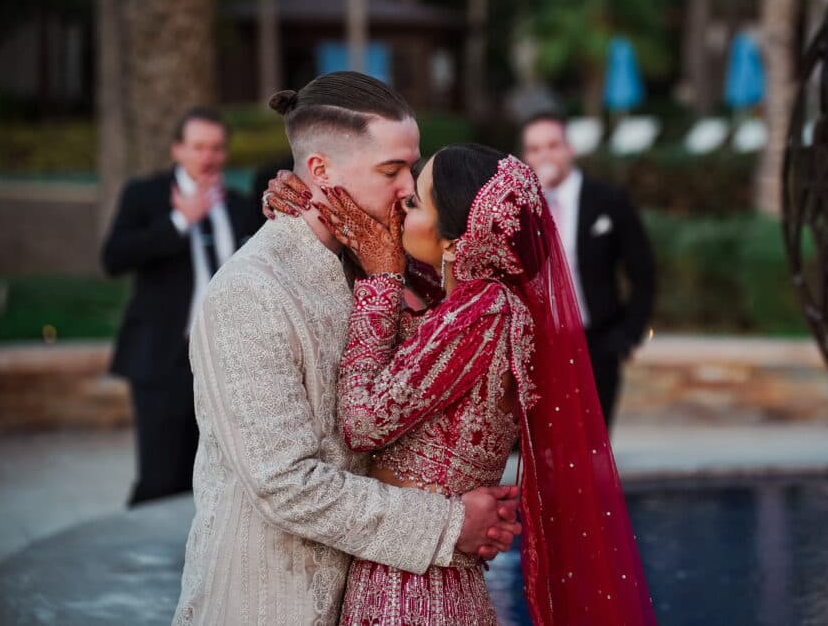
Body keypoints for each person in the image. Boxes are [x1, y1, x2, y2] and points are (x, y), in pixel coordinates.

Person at [173, 73, 520, 626]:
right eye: (391, 170)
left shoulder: (379, 263)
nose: (408, 188)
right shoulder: (250, 292)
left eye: (412, 167)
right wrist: (451, 523)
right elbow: (286, 485)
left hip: (380, 596)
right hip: (272, 603)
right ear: (320, 170)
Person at [269, 143, 656, 624]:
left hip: (410, 588)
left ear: (455, 241)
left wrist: (382, 281)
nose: (400, 203)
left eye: (414, 202)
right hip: (427, 568)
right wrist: (306, 200)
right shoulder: (475, 303)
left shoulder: (483, 311)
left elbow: (362, 423)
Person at [101, 106, 252, 506]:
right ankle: (142, 543)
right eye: (198, 147)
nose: (208, 157)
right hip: (163, 359)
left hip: (225, 360)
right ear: (177, 149)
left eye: (216, 148)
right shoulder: (145, 195)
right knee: (160, 478)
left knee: (214, 476)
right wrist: (179, 222)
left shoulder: (240, 206)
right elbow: (113, 258)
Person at [520, 112, 656, 429]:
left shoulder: (608, 200)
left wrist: (627, 336)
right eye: (535, 149)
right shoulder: (519, 208)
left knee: (591, 439)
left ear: (569, 148)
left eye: (553, 145)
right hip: (535, 345)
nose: (545, 156)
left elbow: (643, 272)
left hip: (594, 342)